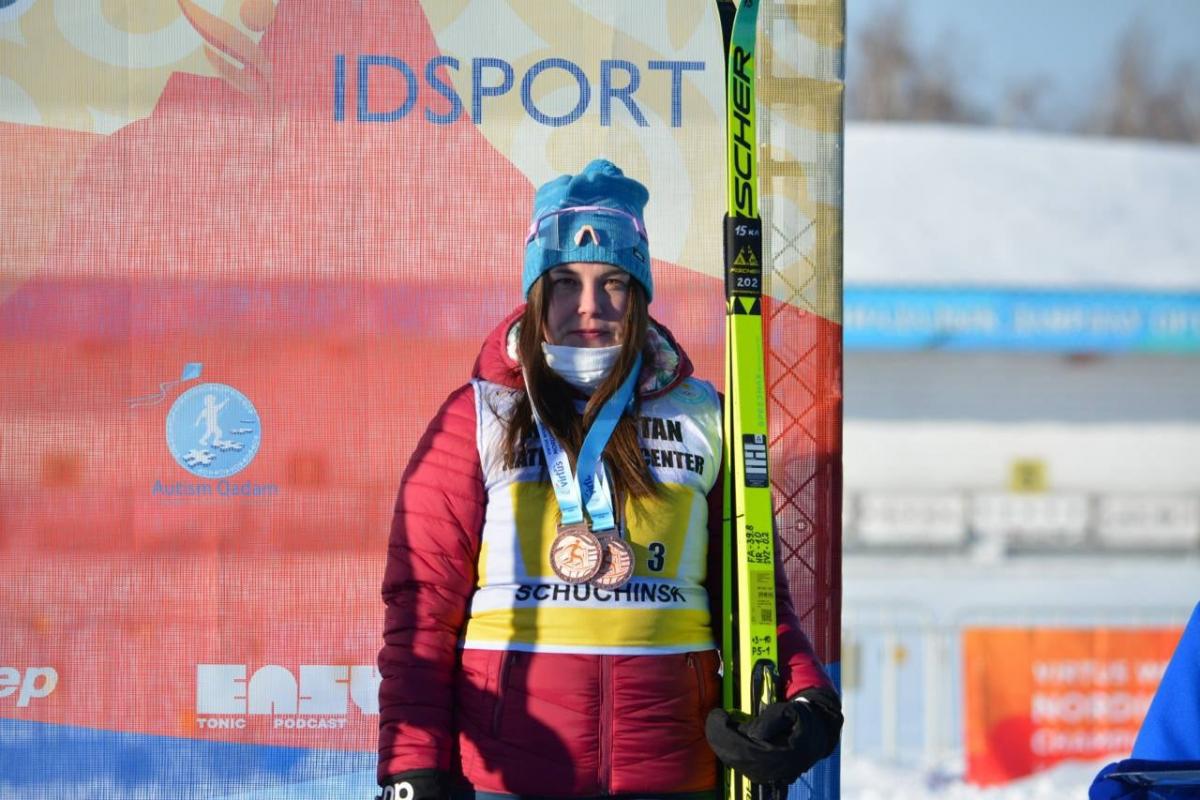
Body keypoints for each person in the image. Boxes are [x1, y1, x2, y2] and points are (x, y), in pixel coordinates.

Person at [377, 159, 842, 800]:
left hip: (672, 771)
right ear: (535, 292)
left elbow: (756, 595)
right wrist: (413, 768)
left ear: (641, 292)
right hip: (513, 775)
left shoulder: (704, 414)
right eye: (564, 281)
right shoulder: (481, 413)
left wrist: (808, 700)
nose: (589, 307)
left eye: (614, 282)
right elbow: (422, 612)